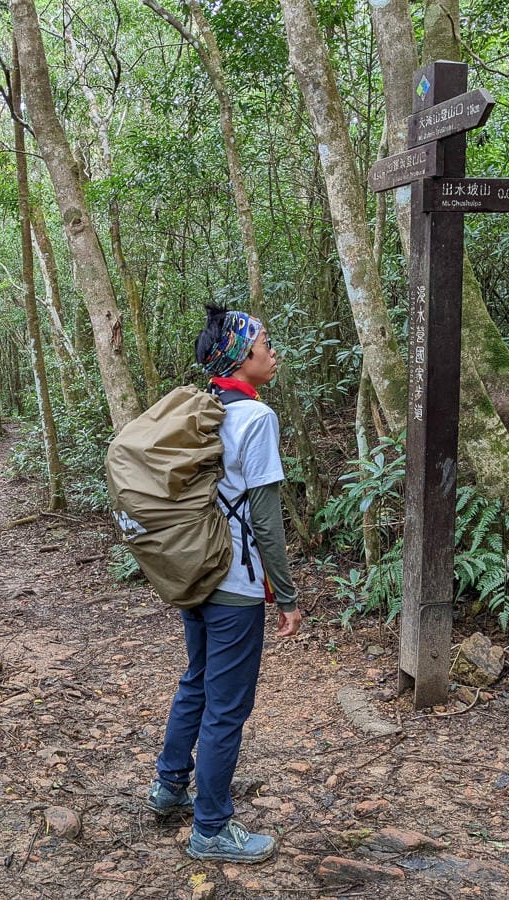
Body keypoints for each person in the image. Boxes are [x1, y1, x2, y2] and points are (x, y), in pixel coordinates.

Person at [145, 305, 301, 864]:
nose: (271, 348)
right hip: (234, 582)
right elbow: (266, 521)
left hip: (194, 572)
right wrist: (286, 594)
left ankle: (169, 788)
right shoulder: (257, 420)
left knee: (197, 682)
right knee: (226, 707)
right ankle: (211, 827)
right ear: (242, 356)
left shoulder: (201, 413)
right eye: (263, 340)